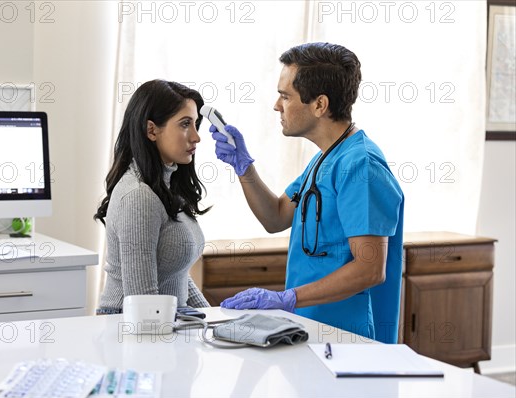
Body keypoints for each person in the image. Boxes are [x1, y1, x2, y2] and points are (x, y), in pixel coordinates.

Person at [212, 42, 404, 343]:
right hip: (311, 331)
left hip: (352, 341)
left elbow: (370, 269)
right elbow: (275, 217)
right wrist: (243, 167)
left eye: (285, 96)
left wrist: (287, 298)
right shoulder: (325, 159)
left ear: (319, 105)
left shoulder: (361, 166)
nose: (277, 105)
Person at [94, 79, 211, 314]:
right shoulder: (138, 197)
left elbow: (174, 275)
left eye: (196, 124)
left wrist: (214, 319)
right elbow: (144, 305)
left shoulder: (166, 186)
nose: (196, 137)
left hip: (163, 320)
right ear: (151, 130)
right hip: (131, 324)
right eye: (185, 124)